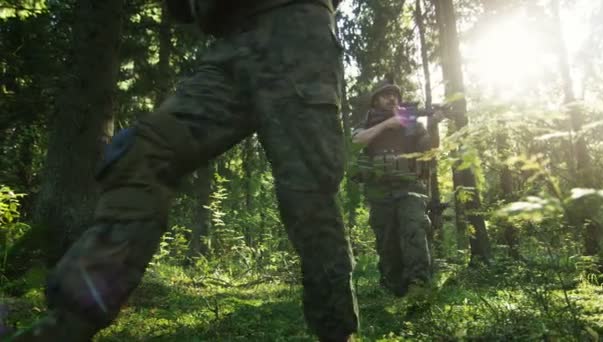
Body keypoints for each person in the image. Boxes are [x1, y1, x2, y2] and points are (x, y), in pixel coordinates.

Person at [10, 0, 358, 341]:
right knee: (141, 152)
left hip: (296, 31)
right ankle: (67, 324)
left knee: (309, 194)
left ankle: (337, 332)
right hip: (228, 46)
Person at [352, 78, 439, 297]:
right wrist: (387, 125)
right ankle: (393, 289)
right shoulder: (368, 123)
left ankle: (419, 286)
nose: (392, 98)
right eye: (385, 95)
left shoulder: (411, 124)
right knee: (387, 241)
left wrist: (434, 123)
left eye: (395, 95)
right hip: (379, 190)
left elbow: (428, 150)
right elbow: (356, 141)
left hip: (409, 187)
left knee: (414, 231)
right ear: (375, 101)